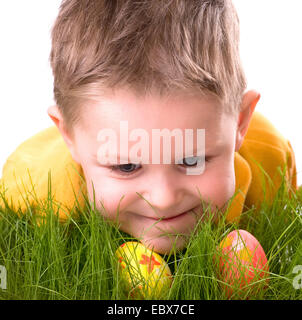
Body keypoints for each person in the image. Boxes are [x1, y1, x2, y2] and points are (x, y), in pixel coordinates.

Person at [0, 0, 298, 254]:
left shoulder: (270, 159)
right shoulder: (32, 197)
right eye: (127, 166)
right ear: (69, 137)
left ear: (240, 121)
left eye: (191, 160)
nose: (163, 198)